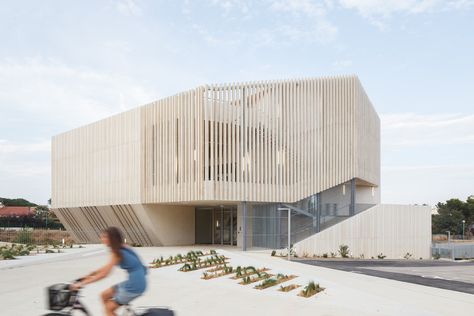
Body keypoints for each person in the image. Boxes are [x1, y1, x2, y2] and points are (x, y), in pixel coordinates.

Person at [71, 227, 147, 316]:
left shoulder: (117, 253)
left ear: (113, 238)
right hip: (135, 281)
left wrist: (81, 284)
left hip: (135, 285)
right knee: (104, 296)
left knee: (108, 309)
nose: (102, 239)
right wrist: (90, 274)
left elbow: (105, 274)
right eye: (102, 237)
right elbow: (107, 267)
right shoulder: (122, 247)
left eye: (105, 237)